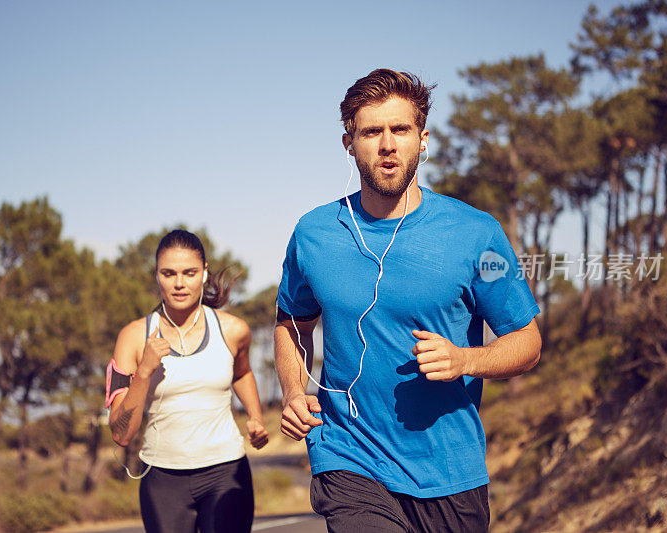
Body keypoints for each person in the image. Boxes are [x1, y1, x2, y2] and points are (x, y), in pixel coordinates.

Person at [274, 69, 542, 532]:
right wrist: (295, 392)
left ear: (423, 139)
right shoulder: (313, 234)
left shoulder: (476, 233)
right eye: (371, 132)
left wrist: (465, 359)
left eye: (400, 129)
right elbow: (291, 324)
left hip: (450, 472)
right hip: (348, 456)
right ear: (348, 143)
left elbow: (527, 341)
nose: (387, 144)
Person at [106, 229, 269, 533]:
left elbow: (243, 372)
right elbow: (120, 434)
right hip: (162, 480)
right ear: (157, 276)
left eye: (189, 273)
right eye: (169, 274)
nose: (179, 283)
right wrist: (143, 372)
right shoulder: (133, 337)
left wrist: (256, 417)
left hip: (226, 471)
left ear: (204, 274)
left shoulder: (233, 330)